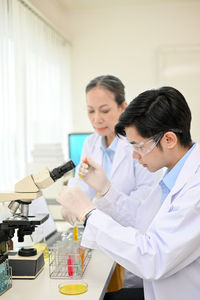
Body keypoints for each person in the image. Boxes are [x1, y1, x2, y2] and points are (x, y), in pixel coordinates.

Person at [56, 86, 200, 300]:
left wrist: (88, 214)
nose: (134, 155)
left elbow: (153, 258)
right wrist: (106, 190)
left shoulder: (195, 189)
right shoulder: (173, 175)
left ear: (169, 140)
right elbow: (141, 221)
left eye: (138, 146)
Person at [64, 75, 161, 294]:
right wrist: (71, 199)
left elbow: (143, 212)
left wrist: (104, 193)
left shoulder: (138, 147)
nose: (97, 119)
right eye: (90, 110)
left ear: (123, 107)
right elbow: (82, 185)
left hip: (129, 256)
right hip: (99, 248)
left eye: (105, 110)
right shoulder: (90, 143)